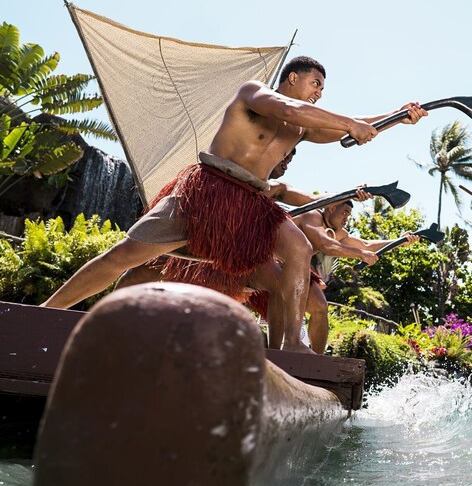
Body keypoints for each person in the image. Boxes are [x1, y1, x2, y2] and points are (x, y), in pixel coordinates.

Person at [42, 56, 427, 352]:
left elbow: (353, 123)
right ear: (293, 78)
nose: (319, 92)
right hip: (208, 190)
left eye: (323, 89)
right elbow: (296, 110)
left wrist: (396, 117)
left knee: (298, 248)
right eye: (316, 83)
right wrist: (349, 123)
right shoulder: (254, 92)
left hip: (251, 204)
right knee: (125, 256)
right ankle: (47, 313)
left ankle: (289, 346)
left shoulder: (304, 127)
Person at [292, 199, 420, 354]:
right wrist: (360, 255)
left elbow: (366, 245)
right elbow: (327, 245)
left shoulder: (338, 232)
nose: (347, 218)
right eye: (344, 213)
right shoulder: (313, 215)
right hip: (272, 264)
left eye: (349, 215)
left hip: (296, 272)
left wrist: (400, 241)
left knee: (320, 307)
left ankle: (317, 361)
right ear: (331, 208)